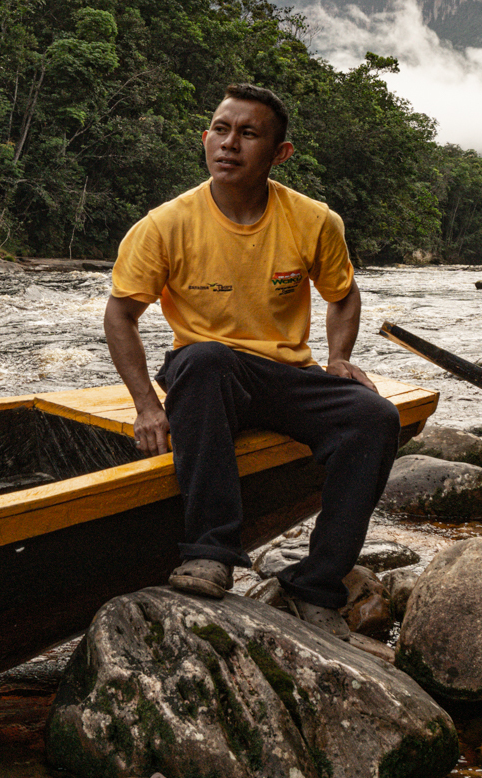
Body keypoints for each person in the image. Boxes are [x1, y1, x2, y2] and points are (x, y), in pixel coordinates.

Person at [102, 83, 400, 639]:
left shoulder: (314, 220)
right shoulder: (165, 224)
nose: (229, 143)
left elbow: (343, 293)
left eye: (248, 133)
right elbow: (120, 315)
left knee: (374, 418)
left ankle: (315, 582)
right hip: (209, 377)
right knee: (204, 359)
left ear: (278, 153)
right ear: (206, 138)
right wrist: (146, 404)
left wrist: (339, 359)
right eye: (220, 129)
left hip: (288, 374)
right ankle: (210, 551)